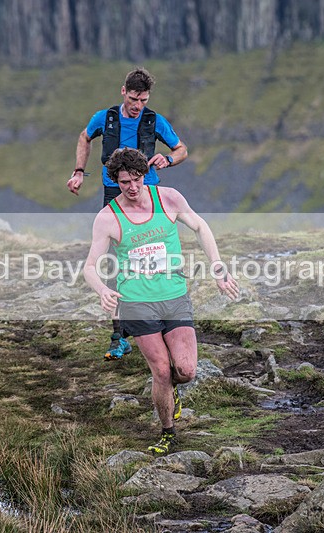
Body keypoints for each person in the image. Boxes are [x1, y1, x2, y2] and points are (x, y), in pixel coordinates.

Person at [84, 148, 238, 455]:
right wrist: (102, 289)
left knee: (186, 370)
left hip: (174, 297)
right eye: (124, 181)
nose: (131, 187)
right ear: (115, 180)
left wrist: (218, 267)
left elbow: (200, 226)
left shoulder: (168, 199)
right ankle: (168, 432)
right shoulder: (108, 217)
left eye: (136, 179)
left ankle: (172, 393)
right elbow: (90, 266)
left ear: (145, 175)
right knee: (161, 372)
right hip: (137, 302)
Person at [68, 67, 188, 360]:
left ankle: (159, 324)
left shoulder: (154, 120)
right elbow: (85, 137)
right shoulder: (105, 118)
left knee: (153, 257)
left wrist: (169, 159)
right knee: (116, 264)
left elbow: (182, 149)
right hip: (114, 196)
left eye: (143, 100)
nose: (138, 105)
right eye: (134, 98)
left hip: (149, 195)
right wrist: (79, 172)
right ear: (124, 91)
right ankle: (118, 336)